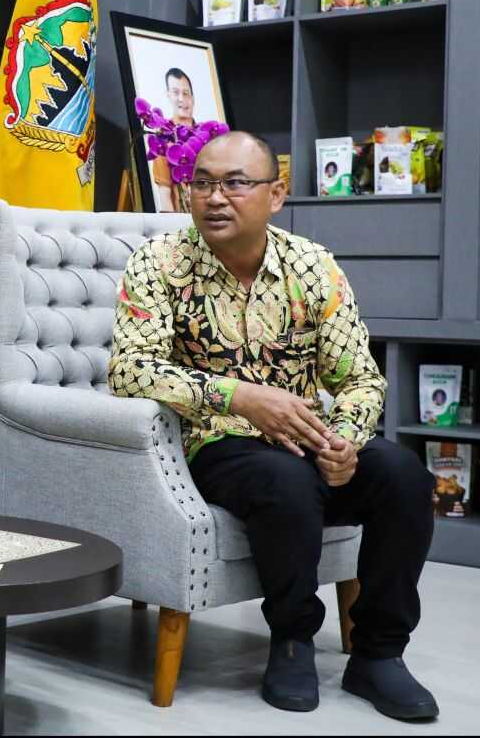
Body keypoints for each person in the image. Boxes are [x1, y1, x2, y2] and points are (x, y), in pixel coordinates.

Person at [109, 131, 438, 721]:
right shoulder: (159, 264)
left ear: (276, 193)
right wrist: (239, 397)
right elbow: (129, 371)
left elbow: (360, 378)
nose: (214, 198)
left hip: (306, 436)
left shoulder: (312, 267)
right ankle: (291, 639)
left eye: (235, 183)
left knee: (404, 476)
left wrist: (346, 440)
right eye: (202, 183)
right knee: (284, 483)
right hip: (214, 444)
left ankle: (379, 654)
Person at [151, 67, 195, 212]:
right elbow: (165, 195)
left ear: (193, 98)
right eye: (176, 93)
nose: (181, 99)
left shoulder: (205, 138)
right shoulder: (163, 139)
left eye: (186, 93)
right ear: (168, 95)